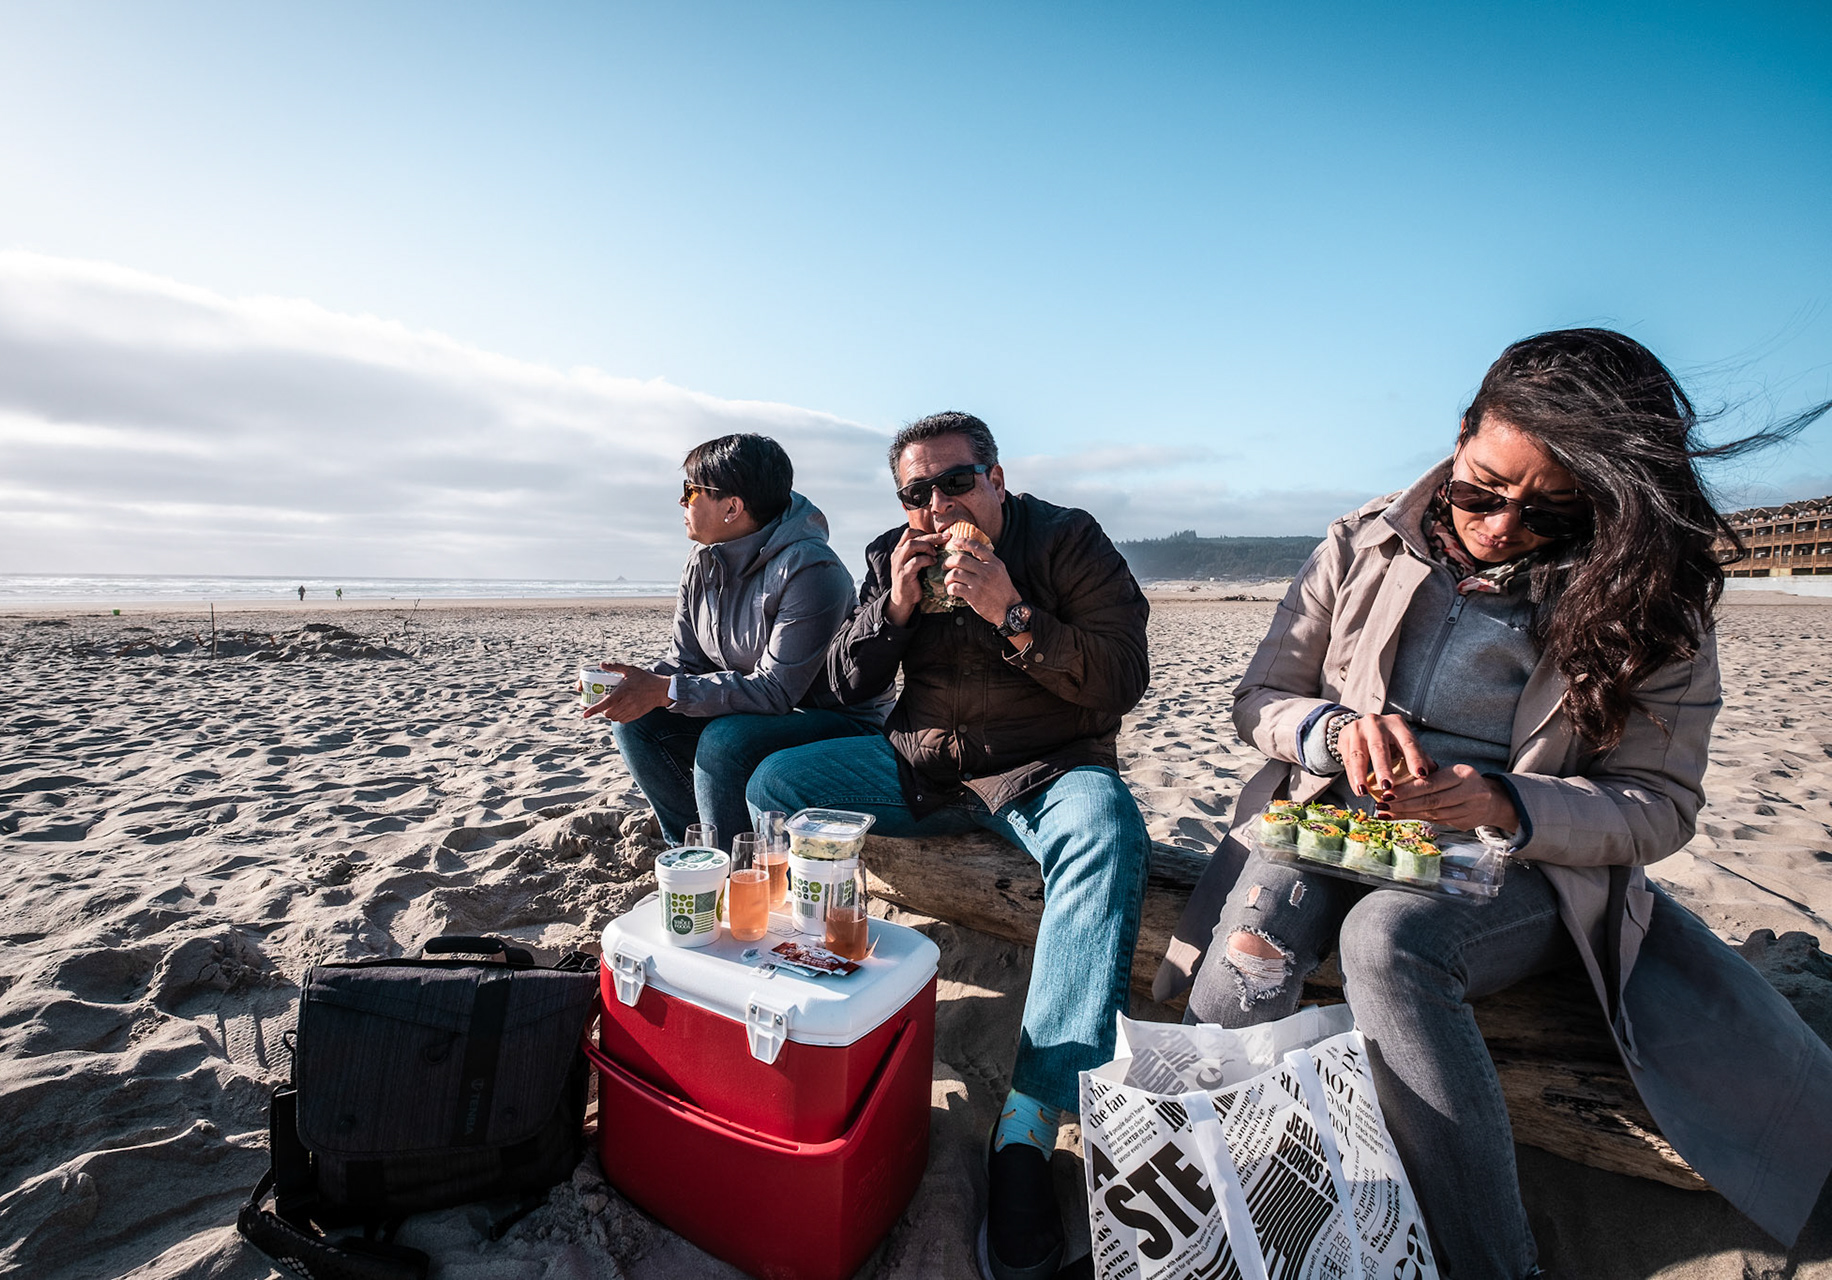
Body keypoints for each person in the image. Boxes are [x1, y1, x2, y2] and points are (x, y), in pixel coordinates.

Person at [1155, 329, 1832, 1278]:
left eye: (1549, 511)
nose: (1501, 526)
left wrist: (1506, 800)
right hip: (1334, 821)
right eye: (1481, 490)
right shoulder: (1361, 539)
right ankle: (1215, 1217)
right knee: (1253, 941)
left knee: (1388, 940)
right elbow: (1260, 699)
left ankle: (1495, 1262)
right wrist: (1333, 733)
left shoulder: (1652, 604)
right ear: (1462, 433)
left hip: (1520, 866)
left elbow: (1660, 806)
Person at [747, 411, 1151, 1280]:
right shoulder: (893, 551)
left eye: (955, 482)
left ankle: (1030, 1124)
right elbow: (840, 683)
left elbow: (1123, 677)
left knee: (1109, 831)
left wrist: (1013, 612)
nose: (936, 506)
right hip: (923, 769)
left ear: (996, 478)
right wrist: (892, 608)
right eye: (916, 492)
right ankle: (794, 992)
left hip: (1048, 767)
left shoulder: (1068, 540)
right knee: (777, 786)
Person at [586, 433, 879, 851]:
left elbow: (777, 691)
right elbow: (685, 662)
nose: (681, 501)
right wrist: (634, 685)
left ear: (731, 508)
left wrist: (666, 690)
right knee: (636, 722)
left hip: (835, 719)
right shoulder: (703, 562)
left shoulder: (811, 569)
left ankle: (730, 868)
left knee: (725, 740)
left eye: (690, 491)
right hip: (754, 711)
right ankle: (695, 851)